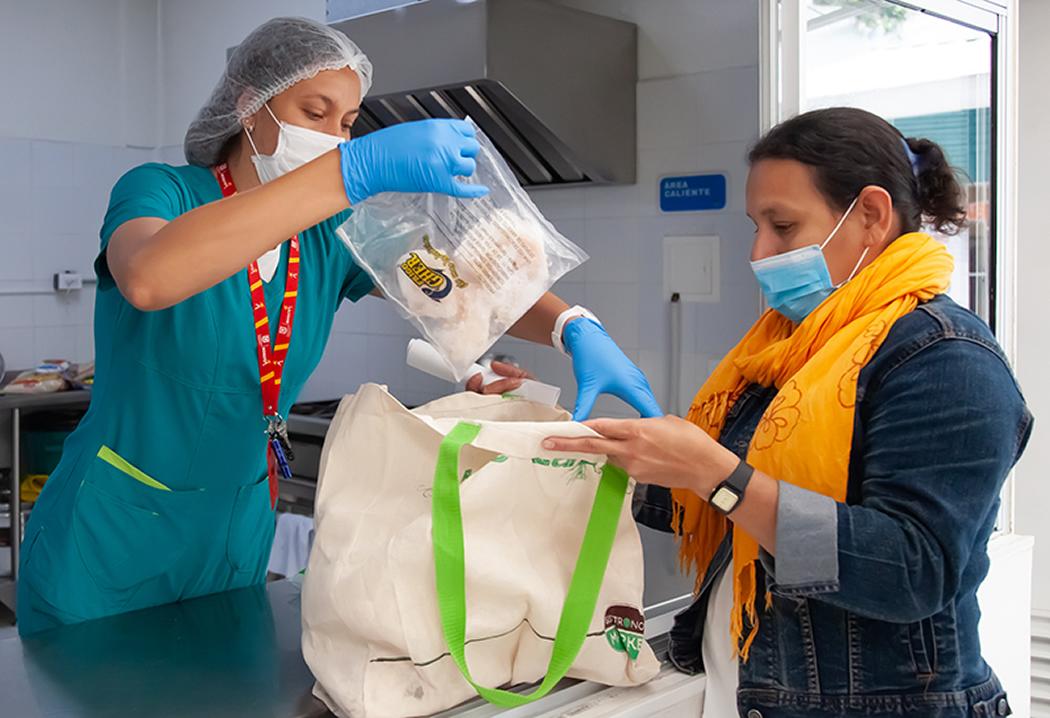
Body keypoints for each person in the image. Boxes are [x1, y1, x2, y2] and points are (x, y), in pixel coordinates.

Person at [17, 16, 659, 635]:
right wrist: (349, 172)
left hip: (234, 525)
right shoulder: (160, 190)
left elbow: (456, 282)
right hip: (114, 527)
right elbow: (149, 276)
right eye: (313, 113)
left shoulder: (328, 233)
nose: (332, 135)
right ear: (251, 108)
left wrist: (571, 324)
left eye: (348, 124)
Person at [546, 107, 1032, 718]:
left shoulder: (945, 358)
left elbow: (912, 570)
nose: (758, 252)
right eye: (755, 226)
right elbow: (714, 504)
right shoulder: (793, 349)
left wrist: (716, 476)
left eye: (782, 225)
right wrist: (560, 436)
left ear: (872, 217)